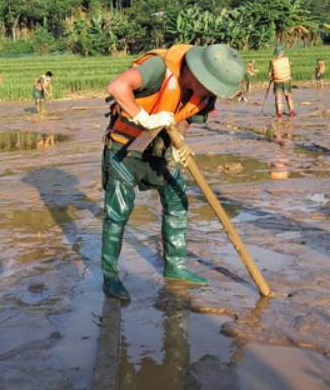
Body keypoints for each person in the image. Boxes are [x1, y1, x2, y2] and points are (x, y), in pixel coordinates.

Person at [101, 43, 244, 300]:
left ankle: (175, 267)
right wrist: (144, 117)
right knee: (118, 211)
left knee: (178, 201)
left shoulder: (205, 95)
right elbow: (117, 87)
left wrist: (179, 143)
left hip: (160, 149)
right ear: (199, 74)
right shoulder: (159, 68)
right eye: (211, 87)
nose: (213, 94)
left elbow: (187, 117)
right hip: (125, 147)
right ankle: (110, 276)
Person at [269, 46, 295, 117]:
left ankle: (279, 113)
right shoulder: (287, 59)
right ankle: (292, 112)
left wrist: (272, 76)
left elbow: (269, 74)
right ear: (282, 52)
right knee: (288, 96)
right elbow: (290, 66)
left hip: (277, 81)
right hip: (287, 80)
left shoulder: (272, 61)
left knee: (278, 98)